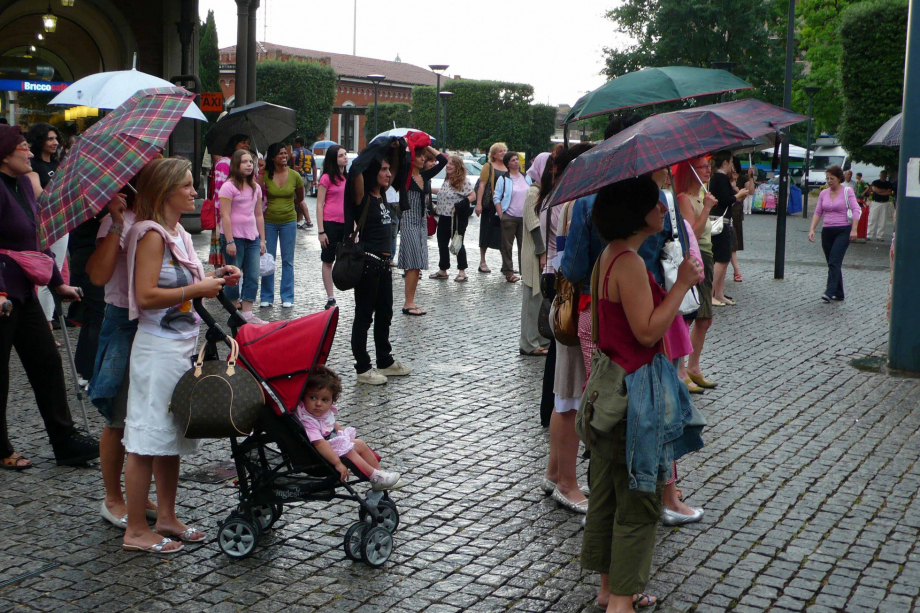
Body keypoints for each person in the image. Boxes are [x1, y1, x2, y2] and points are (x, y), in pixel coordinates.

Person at [582, 177, 703, 613]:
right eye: (655, 204)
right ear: (638, 213)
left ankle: (609, 588)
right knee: (637, 500)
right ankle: (621, 602)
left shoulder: (609, 257)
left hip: (610, 393)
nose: (662, 209)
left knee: (608, 495)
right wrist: (681, 284)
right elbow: (648, 330)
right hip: (634, 397)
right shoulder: (628, 261)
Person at [122, 157, 240, 554]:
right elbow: (145, 296)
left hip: (179, 347)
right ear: (166, 191)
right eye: (188, 186)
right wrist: (195, 291)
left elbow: (189, 283)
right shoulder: (151, 234)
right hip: (156, 349)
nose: (195, 191)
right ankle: (136, 528)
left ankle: (167, 516)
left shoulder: (178, 234)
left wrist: (216, 278)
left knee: (170, 435)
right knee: (145, 438)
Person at [0, 124, 99, 469]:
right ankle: (0, 447)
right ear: (4, 154)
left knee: (47, 362)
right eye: (22, 147)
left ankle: (65, 440)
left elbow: (37, 240)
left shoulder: (25, 186)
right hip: (2, 295)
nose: (29, 152)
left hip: (23, 290)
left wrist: (57, 283)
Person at [86, 185, 159, 527]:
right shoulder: (119, 220)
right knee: (118, 417)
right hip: (123, 322)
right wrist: (115, 223)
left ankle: (138, 492)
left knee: (144, 413)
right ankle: (113, 497)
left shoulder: (155, 218)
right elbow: (98, 276)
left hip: (155, 323)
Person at [343, 142, 413, 386]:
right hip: (368, 266)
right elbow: (357, 168)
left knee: (385, 314)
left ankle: (384, 360)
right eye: (382, 170)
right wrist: (378, 148)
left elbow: (393, 167)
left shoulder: (382, 195)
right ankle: (363, 367)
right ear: (373, 172)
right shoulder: (363, 197)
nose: (388, 173)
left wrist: (393, 149)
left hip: (384, 266)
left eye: (388, 169)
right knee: (364, 317)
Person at [294, 365, 406, 489]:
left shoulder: (318, 412)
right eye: (313, 398)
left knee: (359, 443)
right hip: (324, 453)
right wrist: (337, 463)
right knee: (349, 451)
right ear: (304, 396)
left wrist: (342, 434)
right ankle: (374, 476)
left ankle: (380, 474)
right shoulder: (308, 420)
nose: (318, 403)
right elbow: (319, 443)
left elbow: (330, 423)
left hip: (331, 444)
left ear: (332, 401)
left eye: (324, 400)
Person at [674, 157, 719, 393]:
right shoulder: (684, 199)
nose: (708, 171)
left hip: (707, 256)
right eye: (703, 167)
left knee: (705, 318)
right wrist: (708, 209)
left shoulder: (700, 197)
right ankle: (682, 369)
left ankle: (694, 367)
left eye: (708, 166)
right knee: (690, 316)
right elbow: (692, 233)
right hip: (695, 258)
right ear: (691, 171)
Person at [26, 123, 68, 334]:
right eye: (49, 138)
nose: (54, 143)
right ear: (39, 140)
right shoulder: (31, 166)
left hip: (61, 222)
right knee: (47, 274)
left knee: (56, 272)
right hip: (44, 223)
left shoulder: (59, 164)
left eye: (56, 138)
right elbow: (40, 197)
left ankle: (49, 323)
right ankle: (47, 327)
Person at [398, 136, 446, 316]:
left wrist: (427, 147)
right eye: (419, 156)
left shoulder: (424, 176)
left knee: (417, 264)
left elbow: (443, 160)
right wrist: (409, 147)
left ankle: (410, 301)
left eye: (423, 156)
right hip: (409, 220)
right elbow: (404, 161)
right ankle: (407, 302)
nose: (423, 159)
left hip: (421, 222)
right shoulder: (406, 177)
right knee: (412, 262)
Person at [219, 149, 267, 323]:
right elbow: (224, 215)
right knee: (233, 277)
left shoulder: (256, 187)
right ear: (236, 165)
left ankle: (247, 313)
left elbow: (259, 215)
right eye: (245, 162)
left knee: (253, 275)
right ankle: (232, 310)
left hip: (252, 237)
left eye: (250, 162)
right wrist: (230, 241)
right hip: (234, 238)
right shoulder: (228, 186)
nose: (249, 165)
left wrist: (262, 239)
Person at [260, 142, 303, 309]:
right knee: (267, 259)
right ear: (272, 157)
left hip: (288, 221)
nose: (284, 156)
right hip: (268, 221)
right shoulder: (266, 174)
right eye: (280, 154)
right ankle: (266, 296)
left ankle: (287, 296)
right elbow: (256, 190)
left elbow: (300, 197)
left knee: (287, 260)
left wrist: (290, 205)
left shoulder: (294, 176)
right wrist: (261, 170)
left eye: (285, 153)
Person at [808, 165, 860, 302]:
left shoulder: (847, 191)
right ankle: (839, 292)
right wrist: (812, 228)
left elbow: (856, 210)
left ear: (839, 178)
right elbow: (818, 211)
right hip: (827, 231)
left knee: (834, 261)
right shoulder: (823, 193)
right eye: (827, 178)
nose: (829, 181)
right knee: (832, 262)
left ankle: (829, 291)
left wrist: (854, 228)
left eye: (832, 178)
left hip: (843, 229)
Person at [519, 152, 551, 355]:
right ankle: (528, 343)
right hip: (534, 253)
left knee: (540, 300)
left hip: (540, 253)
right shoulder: (533, 192)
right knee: (532, 299)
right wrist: (542, 253)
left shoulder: (542, 191)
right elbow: (533, 225)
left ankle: (539, 340)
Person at [708, 151, 749, 307]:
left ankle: (718, 293)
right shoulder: (719, 178)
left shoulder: (720, 178)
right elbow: (724, 200)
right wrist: (737, 196)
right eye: (731, 162)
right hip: (721, 221)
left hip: (724, 220)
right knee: (721, 259)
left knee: (724, 260)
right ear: (725, 163)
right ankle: (710, 293)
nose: (733, 166)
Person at [429, 155, 474, 282]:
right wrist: (428, 189)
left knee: (457, 243)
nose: (448, 166)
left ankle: (462, 271)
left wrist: (460, 205)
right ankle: (443, 269)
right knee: (442, 243)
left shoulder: (463, 181)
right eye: (448, 163)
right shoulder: (447, 180)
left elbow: (472, 196)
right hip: (443, 216)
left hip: (456, 218)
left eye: (452, 164)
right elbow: (444, 192)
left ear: (458, 167)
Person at [317, 145, 348, 309]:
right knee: (328, 259)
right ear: (333, 159)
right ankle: (330, 296)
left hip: (346, 223)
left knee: (348, 258)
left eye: (345, 154)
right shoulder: (326, 178)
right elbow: (320, 204)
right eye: (340, 155)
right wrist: (321, 231)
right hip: (330, 223)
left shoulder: (348, 178)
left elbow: (352, 204)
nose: (345, 157)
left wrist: (354, 227)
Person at [493, 152, 532, 283]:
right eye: (513, 160)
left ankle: (525, 272)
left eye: (517, 159)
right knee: (507, 246)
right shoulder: (504, 179)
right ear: (508, 164)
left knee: (524, 246)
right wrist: (501, 215)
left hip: (524, 217)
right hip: (509, 216)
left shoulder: (526, 177)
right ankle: (508, 271)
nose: (516, 162)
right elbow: (496, 197)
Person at [475, 142, 508, 273]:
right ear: (493, 154)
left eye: (504, 150)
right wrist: (478, 203)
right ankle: (482, 261)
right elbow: (482, 185)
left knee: (504, 235)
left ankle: (506, 263)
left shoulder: (508, 166)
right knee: (486, 233)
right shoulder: (488, 166)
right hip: (490, 205)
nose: (503, 153)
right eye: (500, 151)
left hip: (504, 205)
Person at [730, 158, 748, 283]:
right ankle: (736, 270)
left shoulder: (741, 178)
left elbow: (748, 192)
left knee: (733, 244)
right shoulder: (721, 179)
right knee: (731, 244)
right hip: (726, 213)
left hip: (735, 213)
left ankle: (736, 271)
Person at [290, 137, 315, 227]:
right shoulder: (309, 153)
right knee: (302, 198)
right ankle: (298, 221)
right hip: (308, 178)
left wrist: (292, 166)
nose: (293, 145)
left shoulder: (297, 150)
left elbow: (293, 156)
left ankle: (308, 220)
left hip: (299, 177)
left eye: (294, 143)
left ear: (298, 144)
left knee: (300, 199)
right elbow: (314, 167)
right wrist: (315, 180)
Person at [867, 169, 894, 241]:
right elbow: (875, 189)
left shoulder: (888, 184)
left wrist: (879, 191)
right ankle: (869, 234)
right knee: (872, 218)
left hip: (885, 202)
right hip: (876, 202)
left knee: (883, 220)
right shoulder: (875, 182)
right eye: (882, 175)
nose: (883, 176)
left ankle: (880, 236)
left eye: (885, 175)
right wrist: (884, 191)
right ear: (880, 175)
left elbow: (889, 192)